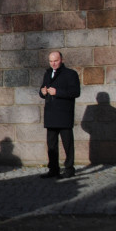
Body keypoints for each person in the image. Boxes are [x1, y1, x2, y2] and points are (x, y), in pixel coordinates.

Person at [39, 50, 81, 178]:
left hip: (64, 114)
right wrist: (42, 92)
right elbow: (41, 92)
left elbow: (75, 92)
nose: (53, 63)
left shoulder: (70, 74)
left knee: (67, 143)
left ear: (61, 60)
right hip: (51, 114)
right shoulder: (47, 74)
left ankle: (69, 169)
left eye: (56, 60)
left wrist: (57, 92)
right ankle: (53, 169)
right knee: (51, 144)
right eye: (51, 61)